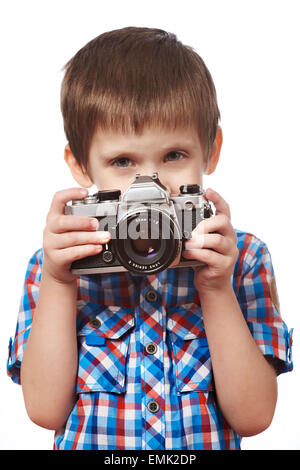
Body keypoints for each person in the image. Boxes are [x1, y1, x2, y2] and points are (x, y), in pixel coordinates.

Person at [7, 27, 293, 450]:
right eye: (122, 161)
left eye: (174, 155)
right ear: (81, 166)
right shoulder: (60, 265)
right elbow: (45, 410)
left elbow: (254, 417)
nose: (150, 182)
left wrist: (215, 289)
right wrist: (60, 282)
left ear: (211, 150)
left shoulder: (242, 257)